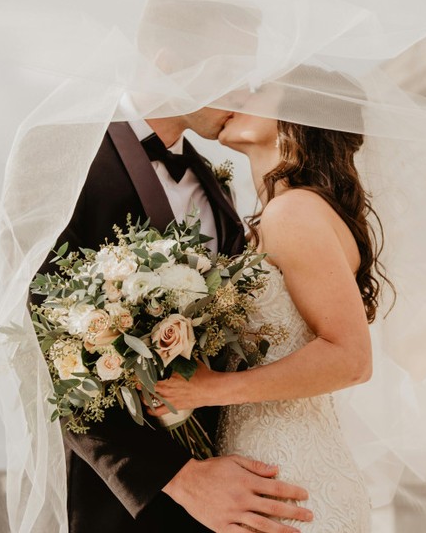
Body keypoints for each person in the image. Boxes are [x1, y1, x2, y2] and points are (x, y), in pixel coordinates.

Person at [34, 0, 314, 533]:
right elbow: (42, 345)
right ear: (166, 61)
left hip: (236, 489)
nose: (241, 93)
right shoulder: (62, 155)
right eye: (229, 72)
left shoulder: (218, 187)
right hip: (125, 503)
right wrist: (180, 479)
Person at [150, 73, 385, 531]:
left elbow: (352, 357)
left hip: (290, 471)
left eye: (256, 90)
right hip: (259, 466)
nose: (234, 93)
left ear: (298, 117)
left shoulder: (295, 211)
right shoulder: (273, 215)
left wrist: (207, 389)